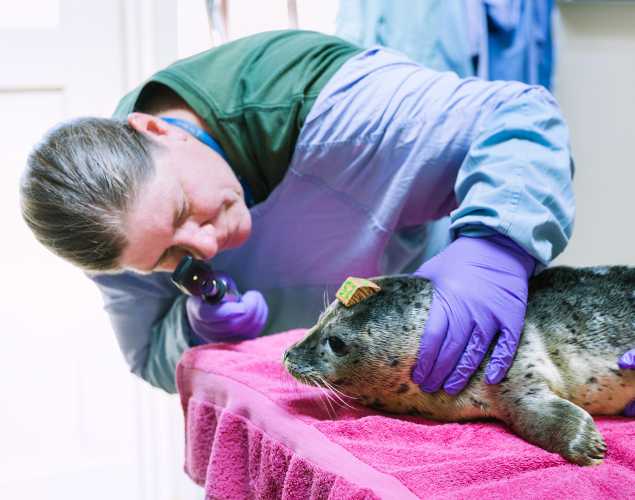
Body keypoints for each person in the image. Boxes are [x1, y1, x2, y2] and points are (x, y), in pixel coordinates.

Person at [19, 30, 626, 404]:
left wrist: (496, 245)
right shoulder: (113, 226)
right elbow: (149, 353)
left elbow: (520, 121)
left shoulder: (340, 108)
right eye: (170, 260)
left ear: (154, 130)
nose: (206, 245)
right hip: (312, 399)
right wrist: (195, 333)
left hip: (451, 346)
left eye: (185, 209)